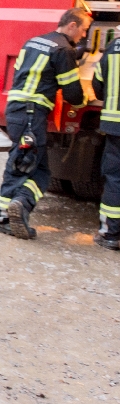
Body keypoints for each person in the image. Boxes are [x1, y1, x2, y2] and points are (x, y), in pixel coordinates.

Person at [0, 8, 91, 238]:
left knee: (42, 170)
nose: (83, 36)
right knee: (22, 163)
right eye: (83, 30)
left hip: (17, 110)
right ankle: (6, 215)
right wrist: (86, 99)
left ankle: (19, 204)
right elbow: (72, 94)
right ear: (72, 25)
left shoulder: (34, 42)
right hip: (31, 113)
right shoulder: (63, 50)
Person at [92, 27, 120, 250]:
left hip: (114, 125)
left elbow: (98, 84)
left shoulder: (112, 48)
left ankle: (111, 234)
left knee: (114, 177)